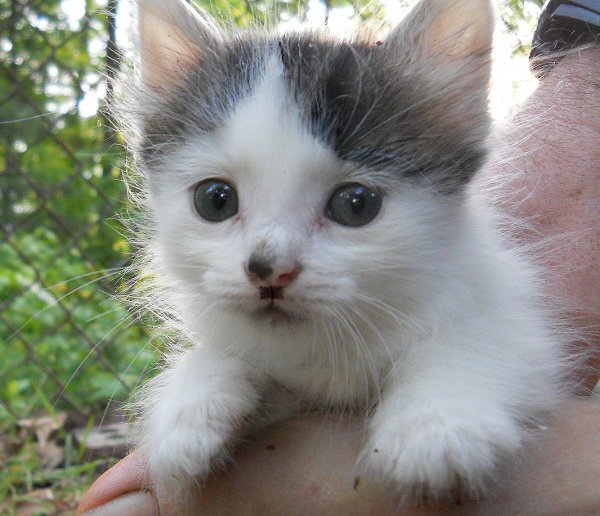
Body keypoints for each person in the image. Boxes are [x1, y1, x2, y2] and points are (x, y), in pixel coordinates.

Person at [77, 5, 600, 514]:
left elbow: (507, 344)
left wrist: (449, 393)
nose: (271, 265)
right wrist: (213, 370)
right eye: (218, 200)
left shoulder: (483, 318)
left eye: (355, 203)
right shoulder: (229, 343)